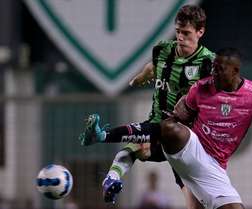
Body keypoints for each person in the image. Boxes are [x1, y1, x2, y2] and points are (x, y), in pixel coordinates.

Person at [79, 48, 252, 209]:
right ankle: (105, 143)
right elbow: (172, 120)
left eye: (220, 69)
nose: (214, 72)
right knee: (165, 130)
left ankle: (123, 156)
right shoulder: (200, 87)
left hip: (214, 169)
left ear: (236, 71)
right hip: (191, 149)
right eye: (213, 67)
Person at [79, 4, 215, 207]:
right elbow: (153, 67)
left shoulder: (208, 62)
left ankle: (105, 150)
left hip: (186, 139)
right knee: (138, 145)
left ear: (200, 32)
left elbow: (217, 98)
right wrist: (139, 79)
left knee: (194, 203)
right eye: (178, 32)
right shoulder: (162, 50)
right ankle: (110, 172)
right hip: (159, 124)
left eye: (186, 33)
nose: (180, 37)